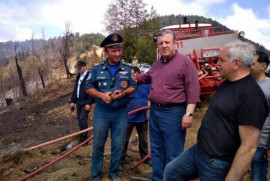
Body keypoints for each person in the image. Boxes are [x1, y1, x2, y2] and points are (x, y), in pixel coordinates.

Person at [163, 41, 269, 181]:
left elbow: (248, 147)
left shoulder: (251, 97)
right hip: (199, 150)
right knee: (170, 173)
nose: (217, 63)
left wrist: (231, 178)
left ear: (236, 64)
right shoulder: (227, 83)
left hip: (216, 163)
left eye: (222, 60)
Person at [134, 29, 201, 181]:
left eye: (167, 42)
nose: (164, 46)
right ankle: (158, 177)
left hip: (174, 113)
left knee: (173, 152)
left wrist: (188, 114)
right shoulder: (157, 64)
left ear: (174, 43)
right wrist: (130, 76)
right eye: (160, 43)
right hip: (155, 112)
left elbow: (193, 91)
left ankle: (172, 178)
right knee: (157, 149)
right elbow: (146, 77)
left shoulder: (185, 63)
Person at [85, 33, 136, 181]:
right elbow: (88, 88)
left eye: (119, 50)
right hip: (102, 112)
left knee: (118, 145)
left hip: (120, 113)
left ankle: (114, 173)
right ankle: (96, 174)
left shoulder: (127, 68)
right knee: (98, 144)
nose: (117, 53)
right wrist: (102, 95)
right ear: (106, 52)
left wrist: (124, 93)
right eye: (113, 51)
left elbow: (133, 86)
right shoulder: (96, 69)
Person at [122, 66, 151, 165]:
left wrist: (151, 102)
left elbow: (154, 94)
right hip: (128, 118)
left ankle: (145, 158)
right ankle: (121, 159)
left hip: (142, 118)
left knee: (143, 140)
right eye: (131, 75)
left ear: (140, 74)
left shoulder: (146, 85)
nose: (133, 77)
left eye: (135, 74)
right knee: (124, 139)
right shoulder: (127, 87)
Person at [250, 50, 270, 181]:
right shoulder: (244, 83)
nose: (248, 66)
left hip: (260, 144)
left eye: (251, 63)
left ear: (263, 66)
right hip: (241, 143)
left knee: (258, 177)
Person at [70, 60, 95, 144]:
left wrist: (89, 103)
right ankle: (81, 137)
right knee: (80, 120)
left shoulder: (90, 76)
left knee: (83, 119)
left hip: (86, 101)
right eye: (78, 67)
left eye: (80, 67)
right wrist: (72, 101)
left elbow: (92, 91)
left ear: (85, 66)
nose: (79, 69)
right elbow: (75, 89)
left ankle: (84, 139)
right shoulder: (78, 76)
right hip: (79, 101)